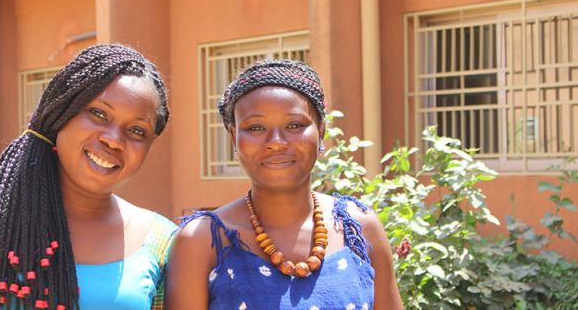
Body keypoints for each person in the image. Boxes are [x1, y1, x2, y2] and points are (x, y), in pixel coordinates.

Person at [0, 44, 177, 310]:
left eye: (137, 131)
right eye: (98, 114)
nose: (114, 140)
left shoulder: (163, 243)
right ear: (60, 114)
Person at [165, 60, 403, 309]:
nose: (276, 142)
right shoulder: (203, 241)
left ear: (321, 131)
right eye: (256, 127)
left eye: (294, 125)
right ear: (234, 138)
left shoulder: (359, 228)